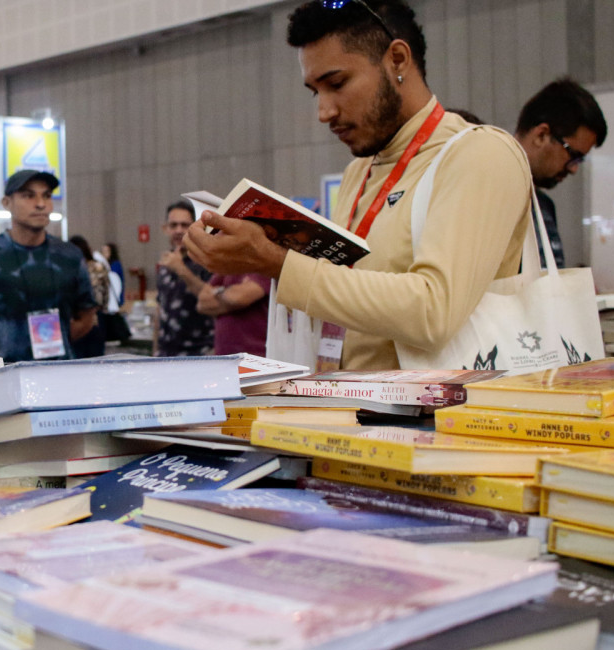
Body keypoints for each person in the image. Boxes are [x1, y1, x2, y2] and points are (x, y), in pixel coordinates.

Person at [184, 0, 534, 371]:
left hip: (439, 420)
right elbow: (350, 296)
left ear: (397, 60)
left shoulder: (480, 154)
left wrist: (276, 263)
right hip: (350, 412)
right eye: (314, 91)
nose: (324, 111)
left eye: (337, 84)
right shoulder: (360, 170)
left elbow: (433, 312)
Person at [0, 169, 97, 362]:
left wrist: (59, 340)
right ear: (7, 203)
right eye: (28, 195)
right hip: (3, 375)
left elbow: (86, 317)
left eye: (47, 196)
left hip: (58, 373)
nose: (41, 204)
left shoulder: (69, 256)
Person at [514, 78, 608, 268]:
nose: (574, 169)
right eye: (573, 155)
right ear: (541, 135)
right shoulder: (486, 197)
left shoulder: (545, 206)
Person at [156, 200, 213, 356]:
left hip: (200, 353)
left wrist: (180, 269)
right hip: (166, 354)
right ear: (165, 229)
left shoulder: (207, 261)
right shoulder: (164, 264)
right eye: (173, 225)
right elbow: (160, 308)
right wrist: (155, 350)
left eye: (184, 225)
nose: (178, 230)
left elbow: (213, 298)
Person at [196, 272, 273, 356]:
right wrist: (229, 299)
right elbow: (202, 304)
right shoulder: (227, 268)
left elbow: (238, 299)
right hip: (224, 357)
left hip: (257, 357)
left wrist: (217, 294)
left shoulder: (264, 267)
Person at [68, 235, 109, 357]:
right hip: (97, 317)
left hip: (74, 319)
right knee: (96, 360)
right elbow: (106, 292)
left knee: (76, 360)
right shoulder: (99, 267)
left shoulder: (68, 268)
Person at [101, 242, 125, 307]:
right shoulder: (102, 264)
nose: (103, 254)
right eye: (102, 251)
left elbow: (111, 277)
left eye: (106, 251)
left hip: (114, 295)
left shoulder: (115, 264)